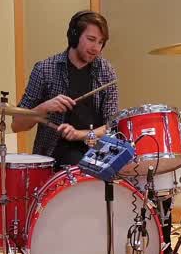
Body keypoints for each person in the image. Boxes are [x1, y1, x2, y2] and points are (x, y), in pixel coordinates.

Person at [13, 11, 119, 168]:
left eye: (100, 42)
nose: (96, 48)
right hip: (53, 158)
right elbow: (17, 125)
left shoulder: (106, 71)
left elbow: (112, 126)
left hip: (96, 155)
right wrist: (44, 108)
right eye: (91, 40)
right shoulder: (45, 69)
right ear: (74, 36)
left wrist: (78, 135)